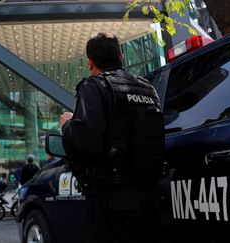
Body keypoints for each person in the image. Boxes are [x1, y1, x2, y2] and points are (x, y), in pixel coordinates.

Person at [59, 32, 165, 243]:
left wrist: (68, 125)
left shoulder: (93, 86)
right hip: (150, 197)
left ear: (90, 63)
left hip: (111, 201)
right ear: (122, 57)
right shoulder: (148, 89)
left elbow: (88, 143)